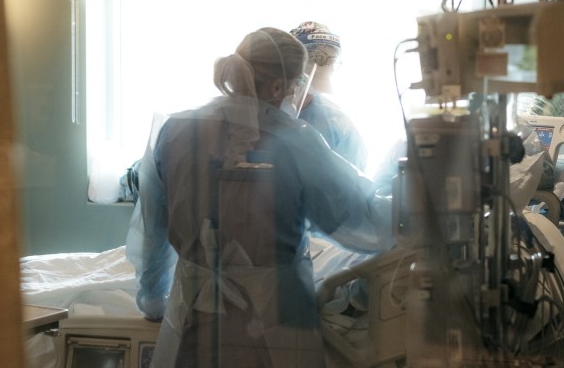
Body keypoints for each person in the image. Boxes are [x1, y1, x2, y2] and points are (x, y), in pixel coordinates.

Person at [130, 27, 393, 368]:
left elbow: (153, 227)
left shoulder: (174, 130)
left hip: (192, 309)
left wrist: (152, 298)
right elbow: (363, 221)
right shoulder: (297, 141)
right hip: (277, 318)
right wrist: (411, 194)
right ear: (277, 87)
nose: (301, 95)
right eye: (300, 84)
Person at [289, 21, 368, 171]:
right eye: (315, 59)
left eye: (328, 61)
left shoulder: (336, 123)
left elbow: (353, 186)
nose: (321, 68)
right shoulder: (266, 112)